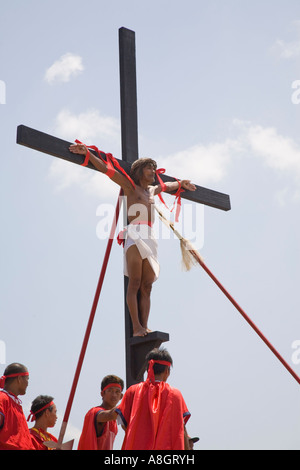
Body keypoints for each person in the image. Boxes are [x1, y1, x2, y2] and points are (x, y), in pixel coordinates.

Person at [69, 143, 196, 336]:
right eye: (149, 168)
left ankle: (144, 326)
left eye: (154, 168)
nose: (153, 171)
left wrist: (180, 184)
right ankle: (136, 327)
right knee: (135, 281)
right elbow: (107, 170)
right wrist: (88, 154)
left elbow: (166, 186)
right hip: (135, 234)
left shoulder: (151, 191)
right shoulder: (129, 186)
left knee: (147, 286)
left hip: (150, 236)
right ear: (138, 171)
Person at [98, 348, 191, 450]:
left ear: (148, 368)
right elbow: (180, 429)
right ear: (167, 371)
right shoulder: (176, 395)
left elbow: (124, 425)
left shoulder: (132, 391)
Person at [77, 374, 124, 450]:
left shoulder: (115, 420)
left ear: (121, 396)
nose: (114, 395)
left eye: (117, 392)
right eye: (110, 391)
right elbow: (110, 414)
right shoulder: (95, 412)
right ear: (102, 394)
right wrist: (129, 400)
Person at [0, 363, 34, 450]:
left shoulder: (16, 405)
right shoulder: (2, 398)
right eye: (27, 379)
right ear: (19, 378)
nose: (28, 383)